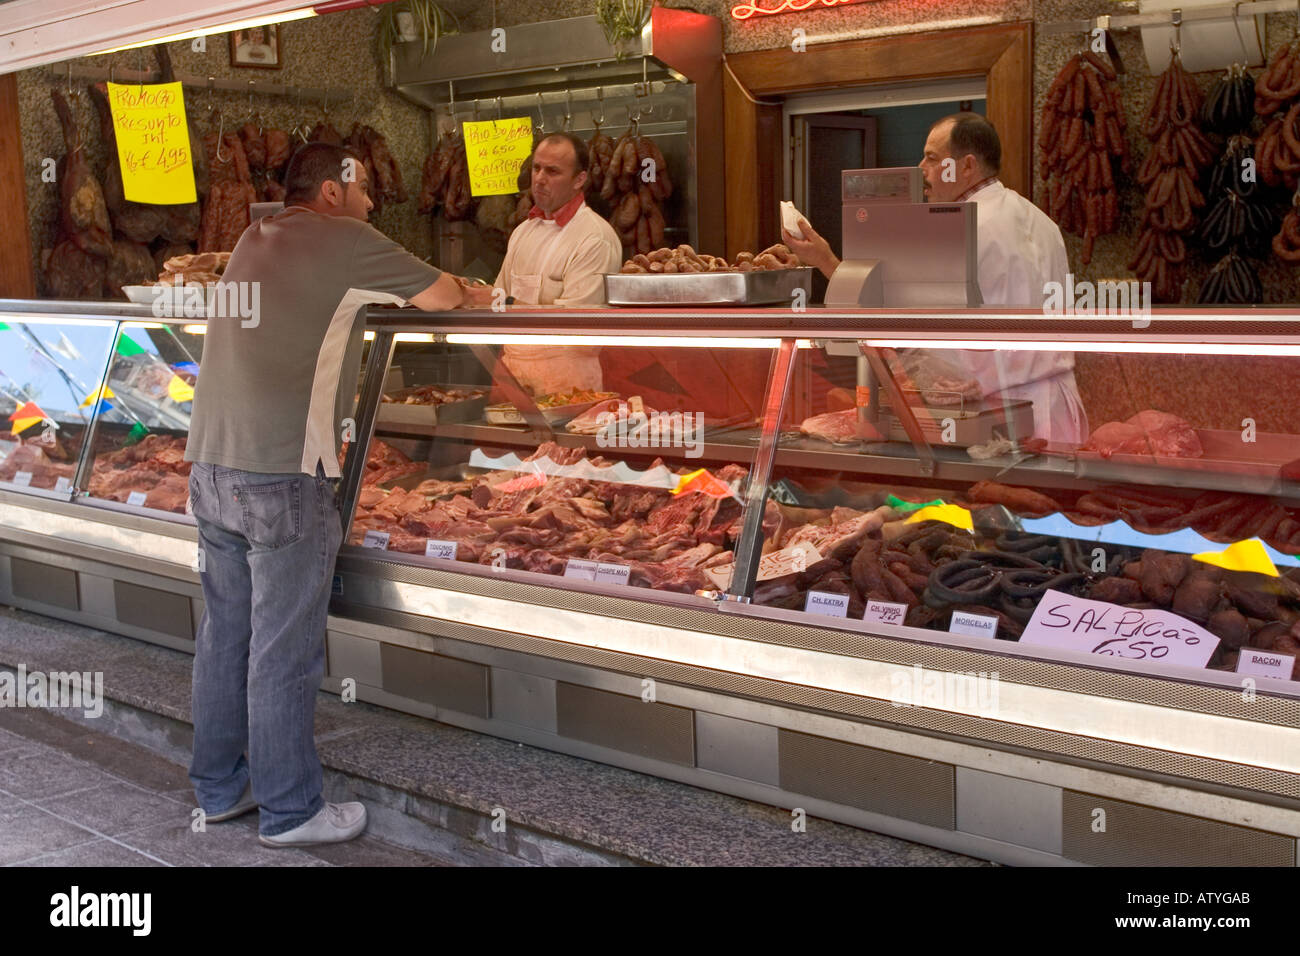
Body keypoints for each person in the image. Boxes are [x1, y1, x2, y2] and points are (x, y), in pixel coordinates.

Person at [184, 143, 491, 848]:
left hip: (211, 468)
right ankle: (292, 810)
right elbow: (444, 295)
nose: (373, 202)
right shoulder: (347, 239)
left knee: (225, 637)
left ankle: (221, 790)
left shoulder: (252, 236)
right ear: (332, 190)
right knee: (283, 650)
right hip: (282, 472)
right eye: (363, 190)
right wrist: (479, 293)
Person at [783, 113, 1087, 445]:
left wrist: (824, 259)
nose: (921, 169)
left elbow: (884, 317)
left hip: (994, 420)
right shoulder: (1042, 222)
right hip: (1057, 410)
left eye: (931, 158)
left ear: (967, 166)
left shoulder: (954, 228)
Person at [493, 132, 623, 397]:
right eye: (537, 168)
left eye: (553, 171)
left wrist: (508, 304)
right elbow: (496, 302)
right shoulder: (522, 232)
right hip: (513, 379)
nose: (540, 179)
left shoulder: (595, 237)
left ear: (579, 179)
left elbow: (579, 330)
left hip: (569, 385)